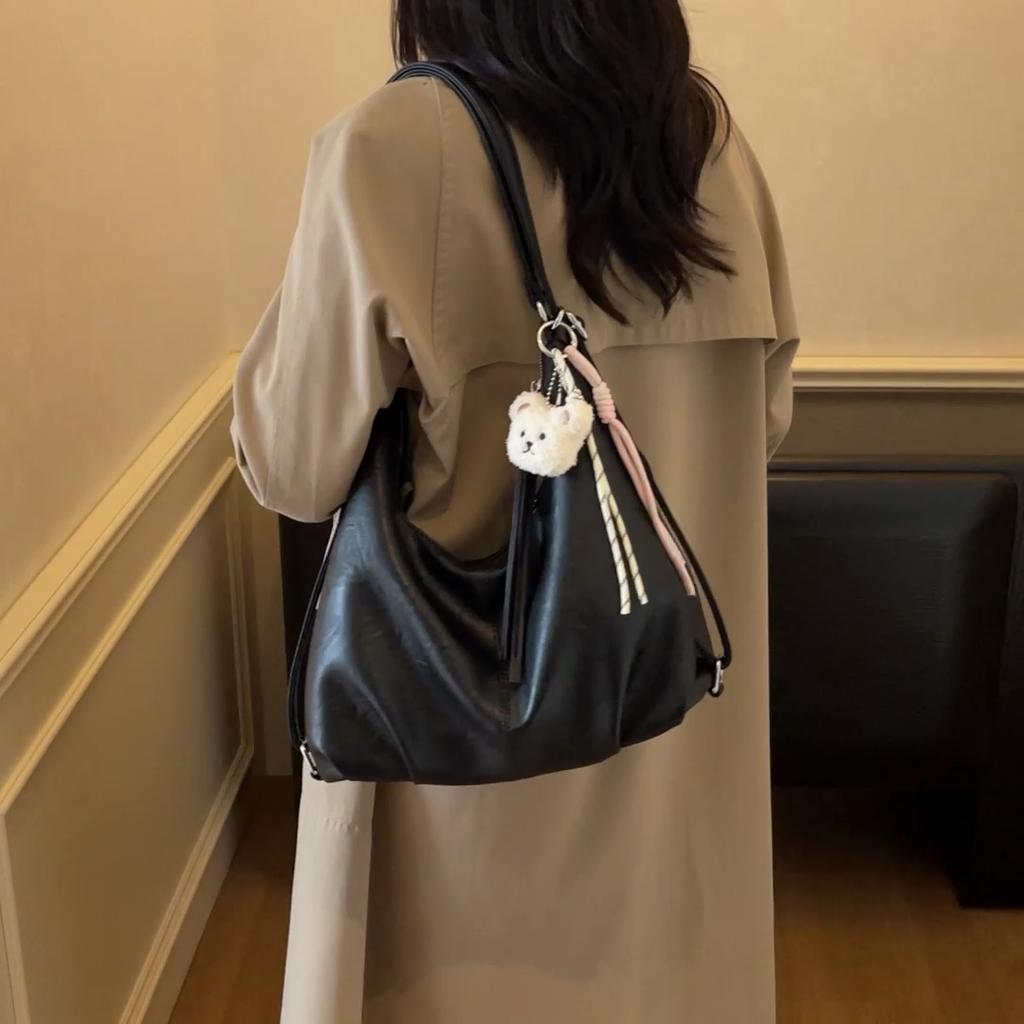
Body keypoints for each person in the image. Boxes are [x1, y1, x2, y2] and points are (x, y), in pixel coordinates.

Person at [231, 2, 798, 1020]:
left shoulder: (390, 146)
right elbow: (760, 421)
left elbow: (292, 468)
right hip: (671, 715)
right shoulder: (710, 143)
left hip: (466, 752)